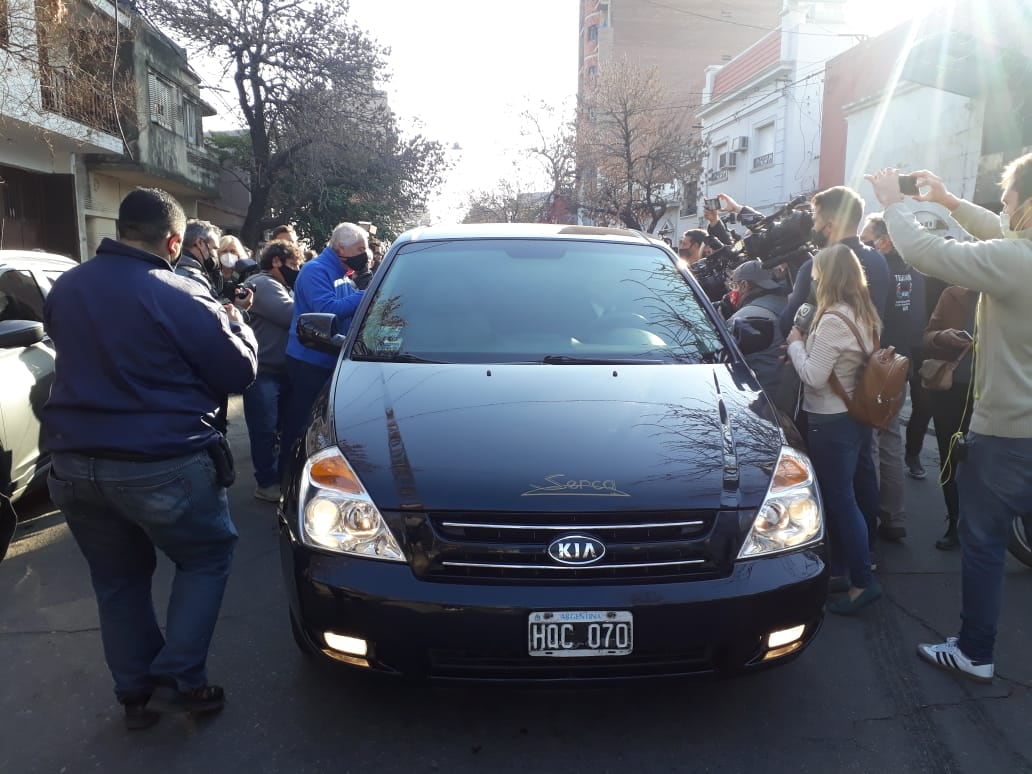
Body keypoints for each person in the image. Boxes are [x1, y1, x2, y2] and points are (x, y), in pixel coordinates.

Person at [42, 188, 258, 728]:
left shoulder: (67, 287)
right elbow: (237, 373)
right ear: (174, 241)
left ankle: (135, 692)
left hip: (72, 463)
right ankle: (179, 679)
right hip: (160, 463)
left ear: (121, 228)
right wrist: (238, 325)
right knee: (206, 556)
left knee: (118, 581)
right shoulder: (181, 291)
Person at [867, 155, 1032, 683]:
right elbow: (998, 233)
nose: (1002, 209)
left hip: (1009, 433)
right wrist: (951, 202)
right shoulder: (1017, 252)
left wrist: (894, 204)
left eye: (1007, 200)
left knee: (981, 539)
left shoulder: (1017, 260)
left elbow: (931, 253)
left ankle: (975, 650)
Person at [787, 244, 882, 615]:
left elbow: (813, 376)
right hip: (856, 416)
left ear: (829, 277)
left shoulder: (830, 320)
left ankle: (862, 583)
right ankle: (848, 571)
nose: (813, 279)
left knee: (840, 501)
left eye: (816, 273)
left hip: (830, 419)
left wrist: (796, 345)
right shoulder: (865, 313)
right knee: (853, 495)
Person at [279, 223, 367, 475]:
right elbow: (327, 308)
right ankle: (285, 477)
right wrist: (366, 294)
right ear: (341, 247)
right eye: (359, 248)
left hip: (331, 358)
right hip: (309, 360)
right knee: (300, 424)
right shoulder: (315, 270)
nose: (364, 254)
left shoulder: (343, 272)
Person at [860, 214, 926, 542]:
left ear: (885, 240)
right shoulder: (918, 271)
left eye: (868, 242)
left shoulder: (876, 270)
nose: (865, 249)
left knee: (871, 441)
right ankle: (894, 516)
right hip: (903, 363)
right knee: (891, 439)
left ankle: (870, 517)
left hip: (877, 362)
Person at [779, 186, 890, 336]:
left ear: (830, 226)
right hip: (868, 351)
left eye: (816, 220)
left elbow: (787, 324)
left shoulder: (814, 267)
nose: (814, 227)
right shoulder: (878, 259)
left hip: (823, 356)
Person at [243, 239, 301, 502]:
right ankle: (266, 483)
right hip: (265, 372)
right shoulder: (264, 284)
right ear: (276, 261)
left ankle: (277, 478)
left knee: (277, 429)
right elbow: (291, 315)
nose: (296, 270)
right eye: (292, 264)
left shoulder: (280, 285)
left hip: (280, 371)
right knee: (264, 430)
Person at [922, 285, 977, 551]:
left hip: (990, 392)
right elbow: (927, 336)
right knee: (949, 454)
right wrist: (943, 336)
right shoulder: (953, 294)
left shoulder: (1008, 293)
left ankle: (980, 524)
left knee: (986, 460)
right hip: (950, 388)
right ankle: (955, 522)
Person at [725, 260, 788, 403]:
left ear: (744, 285)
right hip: (794, 395)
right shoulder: (789, 304)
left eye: (733, 286)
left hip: (763, 401)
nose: (731, 292)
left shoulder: (742, 317)